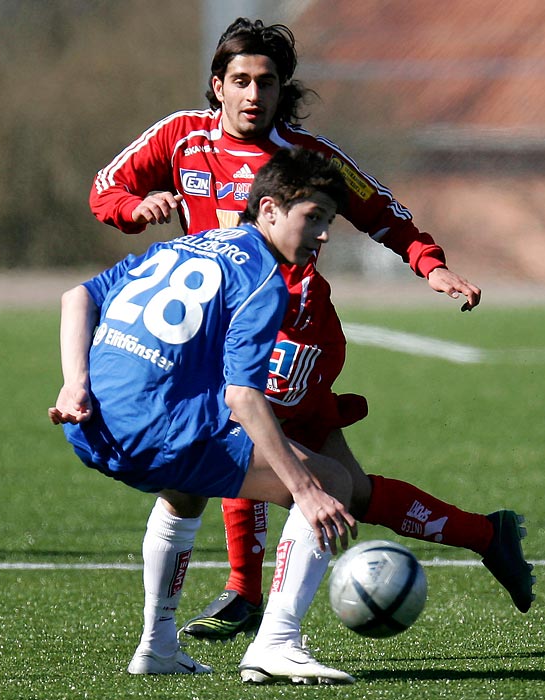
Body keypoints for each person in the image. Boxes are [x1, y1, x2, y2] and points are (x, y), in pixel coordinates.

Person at [89, 17, 534, 643]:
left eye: (265, 82)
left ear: (281, 89)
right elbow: (107, 189)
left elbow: (382, 210)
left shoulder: (308, 159)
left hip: (295, 328)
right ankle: (486, 535)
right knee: (343, 487)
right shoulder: (180, 139)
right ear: (217, 86)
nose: (252, 94)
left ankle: (247, 597)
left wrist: (430, 267)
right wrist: (135, 210)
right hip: (216, 325)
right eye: (240, 81)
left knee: (245, 429)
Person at [50, 148, 360, 684]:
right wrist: (305, 489)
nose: (324, 234)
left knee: (187, 482)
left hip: (88, 422)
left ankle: (158, 644)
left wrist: (75, 382)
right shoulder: (265, 279)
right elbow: (244, 396)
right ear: (268, 210)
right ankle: (278, 644)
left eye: (329, 221)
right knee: (332, 479)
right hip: (153, 431)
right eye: (313, 217)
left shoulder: (180, 244)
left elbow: (77, 296)